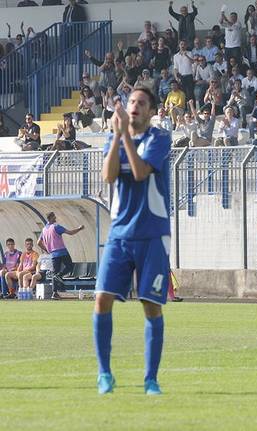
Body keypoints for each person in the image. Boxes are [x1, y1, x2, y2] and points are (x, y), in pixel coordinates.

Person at [95, 87, 172, 395]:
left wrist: (124, 135)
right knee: (101, 299)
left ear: (151, 111)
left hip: (153, 233)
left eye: (141, 103)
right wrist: (116, 136)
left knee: (151, 305)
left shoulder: (158, 138)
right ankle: (105, 375)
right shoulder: (111, 139)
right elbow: (108, 175)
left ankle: (150, 379)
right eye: (131, 102)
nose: (135, 106)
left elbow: (140, 173)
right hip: (120, 233)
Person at [38, 212, 84, 300]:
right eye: (54, 216)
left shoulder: (44, 229)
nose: (56, 217)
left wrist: (47, 249)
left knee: (55, 273)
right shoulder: (56, 227)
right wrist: (79, 228)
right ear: (51, 217)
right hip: (61, 251)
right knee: (70, 266)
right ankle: (60, 275)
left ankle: (54, 293)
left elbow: (38, 242)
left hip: (53, 254)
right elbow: (70, 232)